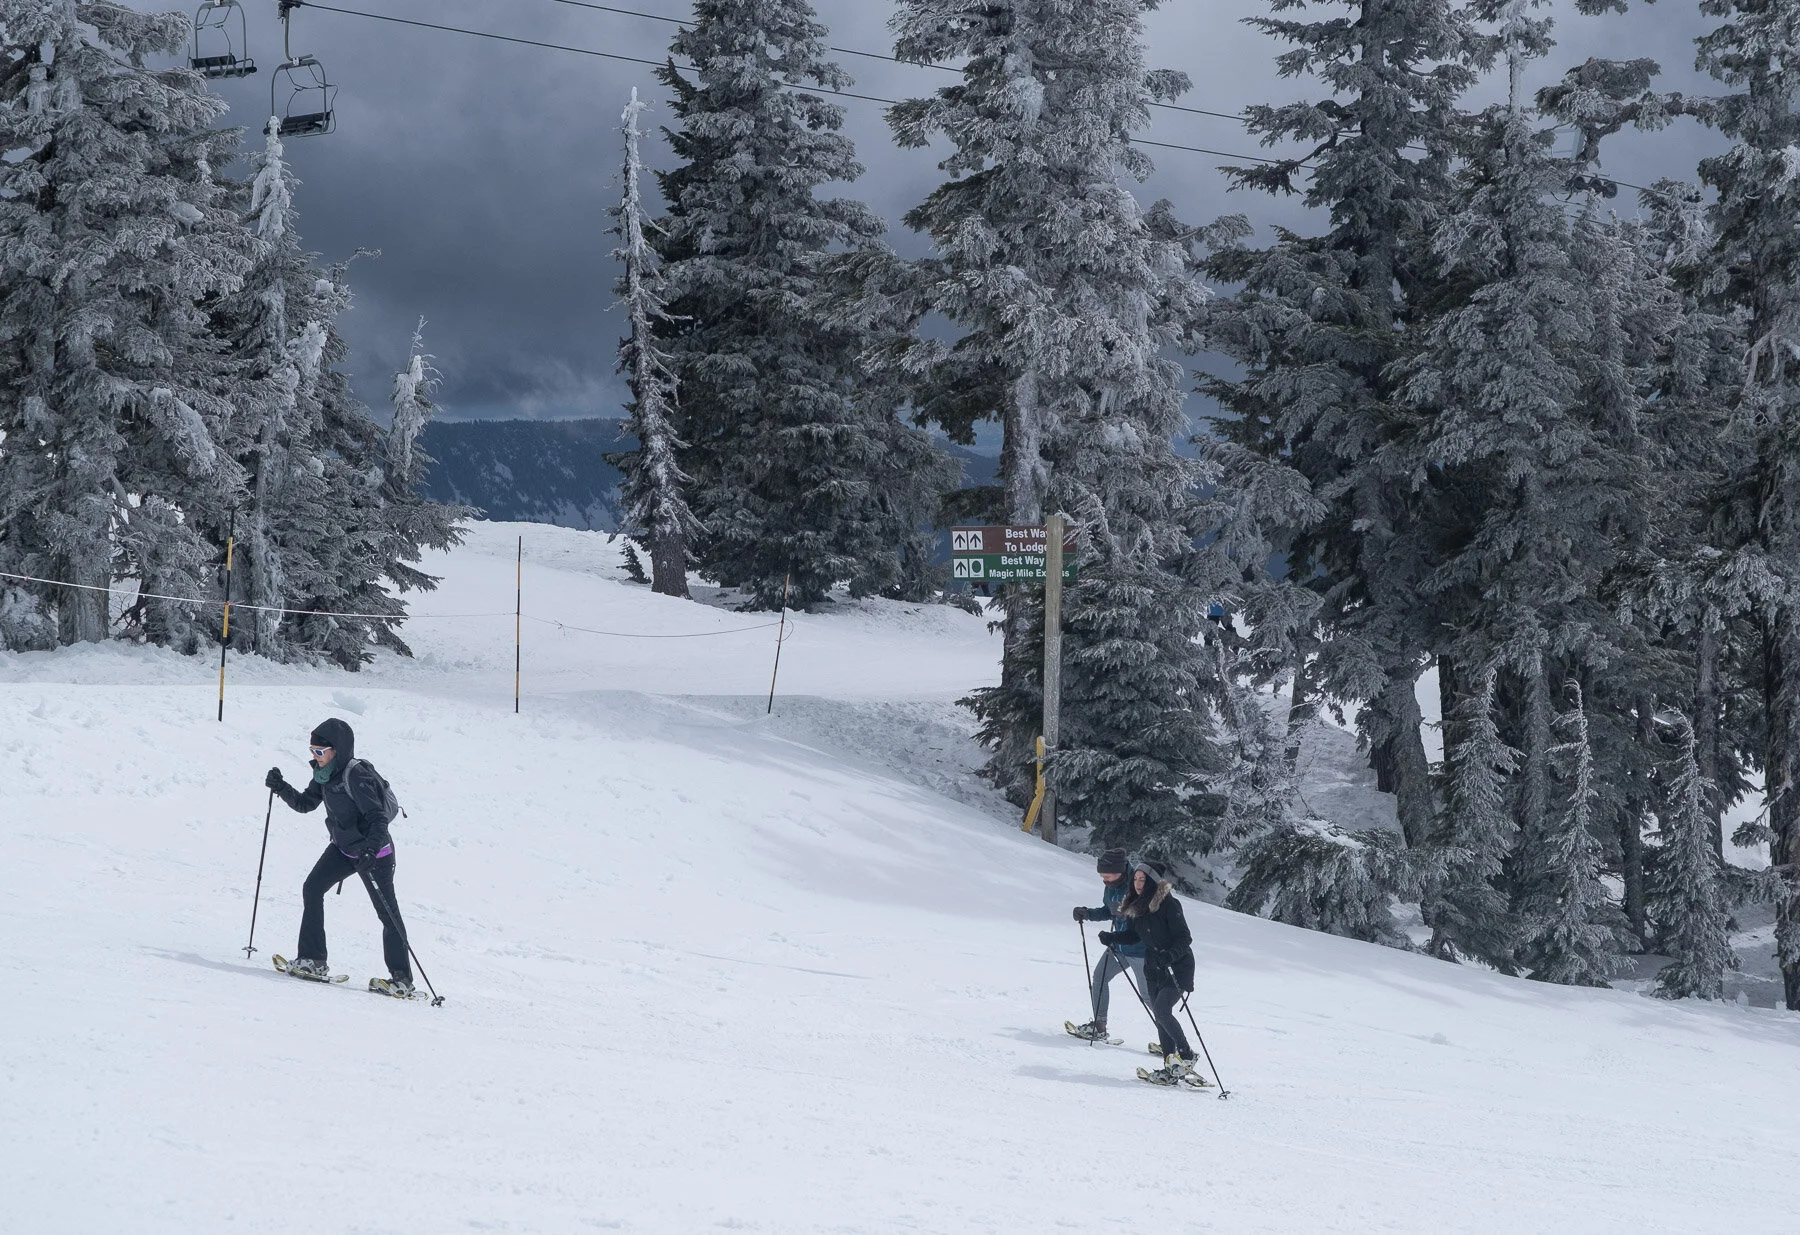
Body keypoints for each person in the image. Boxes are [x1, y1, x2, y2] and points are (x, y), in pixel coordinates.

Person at [264, 718, 413, 995]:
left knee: (388, 914)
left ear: (338, 750)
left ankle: (402, 979)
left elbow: (378, 817)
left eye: (320, 752)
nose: (315, 756)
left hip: (375, 853)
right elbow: (306, 804)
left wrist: (370, 849)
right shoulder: (324, 774)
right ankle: (313, 960)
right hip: (344, 849)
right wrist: (281, 787)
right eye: (312, 751)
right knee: (312, 888)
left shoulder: (356, 775)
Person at [1100, 864, 1196, 1083]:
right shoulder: (1137, 907)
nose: (1138, 883)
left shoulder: (1169, 904)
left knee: (1162, 1011)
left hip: (1177, 967)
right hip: (1153, 968)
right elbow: (1134, 937)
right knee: (1160, 1017)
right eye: (1135, 879)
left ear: (1152, 881)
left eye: (1143, 880)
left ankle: (1187, 1055)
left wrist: (1169, 956)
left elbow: (1184, 938)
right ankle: (1170, 1067)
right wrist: (1113, 938)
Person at [1068, 848, 1147, 1041]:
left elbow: (1144, 917)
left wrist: (1126, 915)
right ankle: (1099, 1024)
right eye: (1102, 876)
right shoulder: (1111, 885)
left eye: (1108, 875)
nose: (1105, 879)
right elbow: (1109, 910)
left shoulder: (1137, 885)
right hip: (1117, 946)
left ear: (1120, 871)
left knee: (1148, 997)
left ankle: (1171, 1043)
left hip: (1139, 950)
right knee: (1099, 978)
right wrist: (1087, 913)